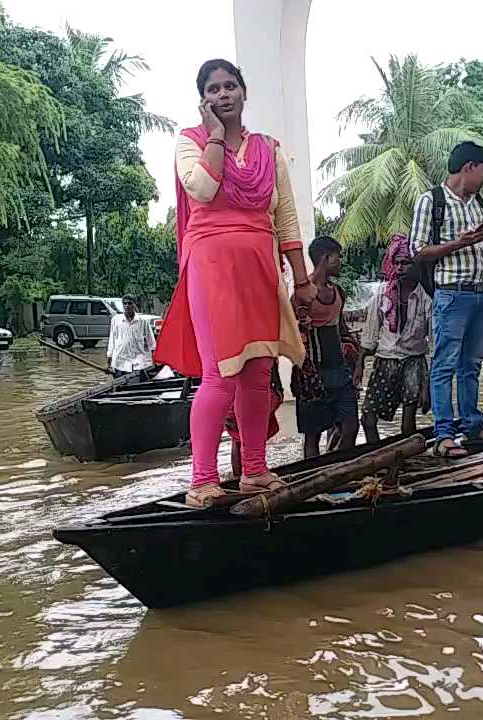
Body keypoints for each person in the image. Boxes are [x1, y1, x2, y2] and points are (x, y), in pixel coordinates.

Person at [154, 58, 314, 509]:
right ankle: (203, 479)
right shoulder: (190, 142)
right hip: (212, 264)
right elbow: (202, 190)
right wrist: (217, 139)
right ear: (203, 99)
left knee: (259, 373)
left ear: (244, 91)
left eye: (230, 86)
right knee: (220, 372)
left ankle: (256, 472)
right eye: (213, 89)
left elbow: (285, 218)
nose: (222, 94)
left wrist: (301, 280)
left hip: (261, 266)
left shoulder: (270, 149)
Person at [410, 141, 483, 458]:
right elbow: (418, 250)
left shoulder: (477, 203)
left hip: (481, 294)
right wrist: (457, 243)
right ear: (468, 168)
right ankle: (444, 434)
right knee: (445, 364)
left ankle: (473, 425)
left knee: (471, 365)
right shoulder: (431, 202)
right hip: (452, 294)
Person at [358, 234, 431, 444]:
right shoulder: (382, 294)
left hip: (414, 362)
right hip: (385, 360)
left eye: (405, 263)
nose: (400, 268)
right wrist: (359, 365)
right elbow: (370, 334)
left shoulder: (425, 299)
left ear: (415, 265)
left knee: (408, 424)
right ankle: (377, 455)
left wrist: (430, 383)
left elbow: (434, 341)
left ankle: (404, 460)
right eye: (396, 263)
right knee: (368, 418)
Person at [294, 236, 359, 459]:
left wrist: (357, 356)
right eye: (338, 257)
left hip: (340, 371)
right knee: (313, 435)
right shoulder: (302, 295)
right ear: (326, 258)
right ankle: (314, 478)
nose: (341, 261)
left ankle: (340, 471)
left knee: (351, 425)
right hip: (312, 373)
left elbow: (341, 329)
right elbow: (294, 333)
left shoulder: (338, 292)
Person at [106, 295, 156, 376]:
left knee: (136, 386)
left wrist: (155, 359)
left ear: (134, 305)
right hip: (120, 361)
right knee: (119, 386)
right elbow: (112, 339)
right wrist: (109, 356)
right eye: (125, 303)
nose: (127, 306)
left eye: (130, 303)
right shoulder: (116, 320)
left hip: (138, 362)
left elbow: (151, 342)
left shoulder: (142, 321)